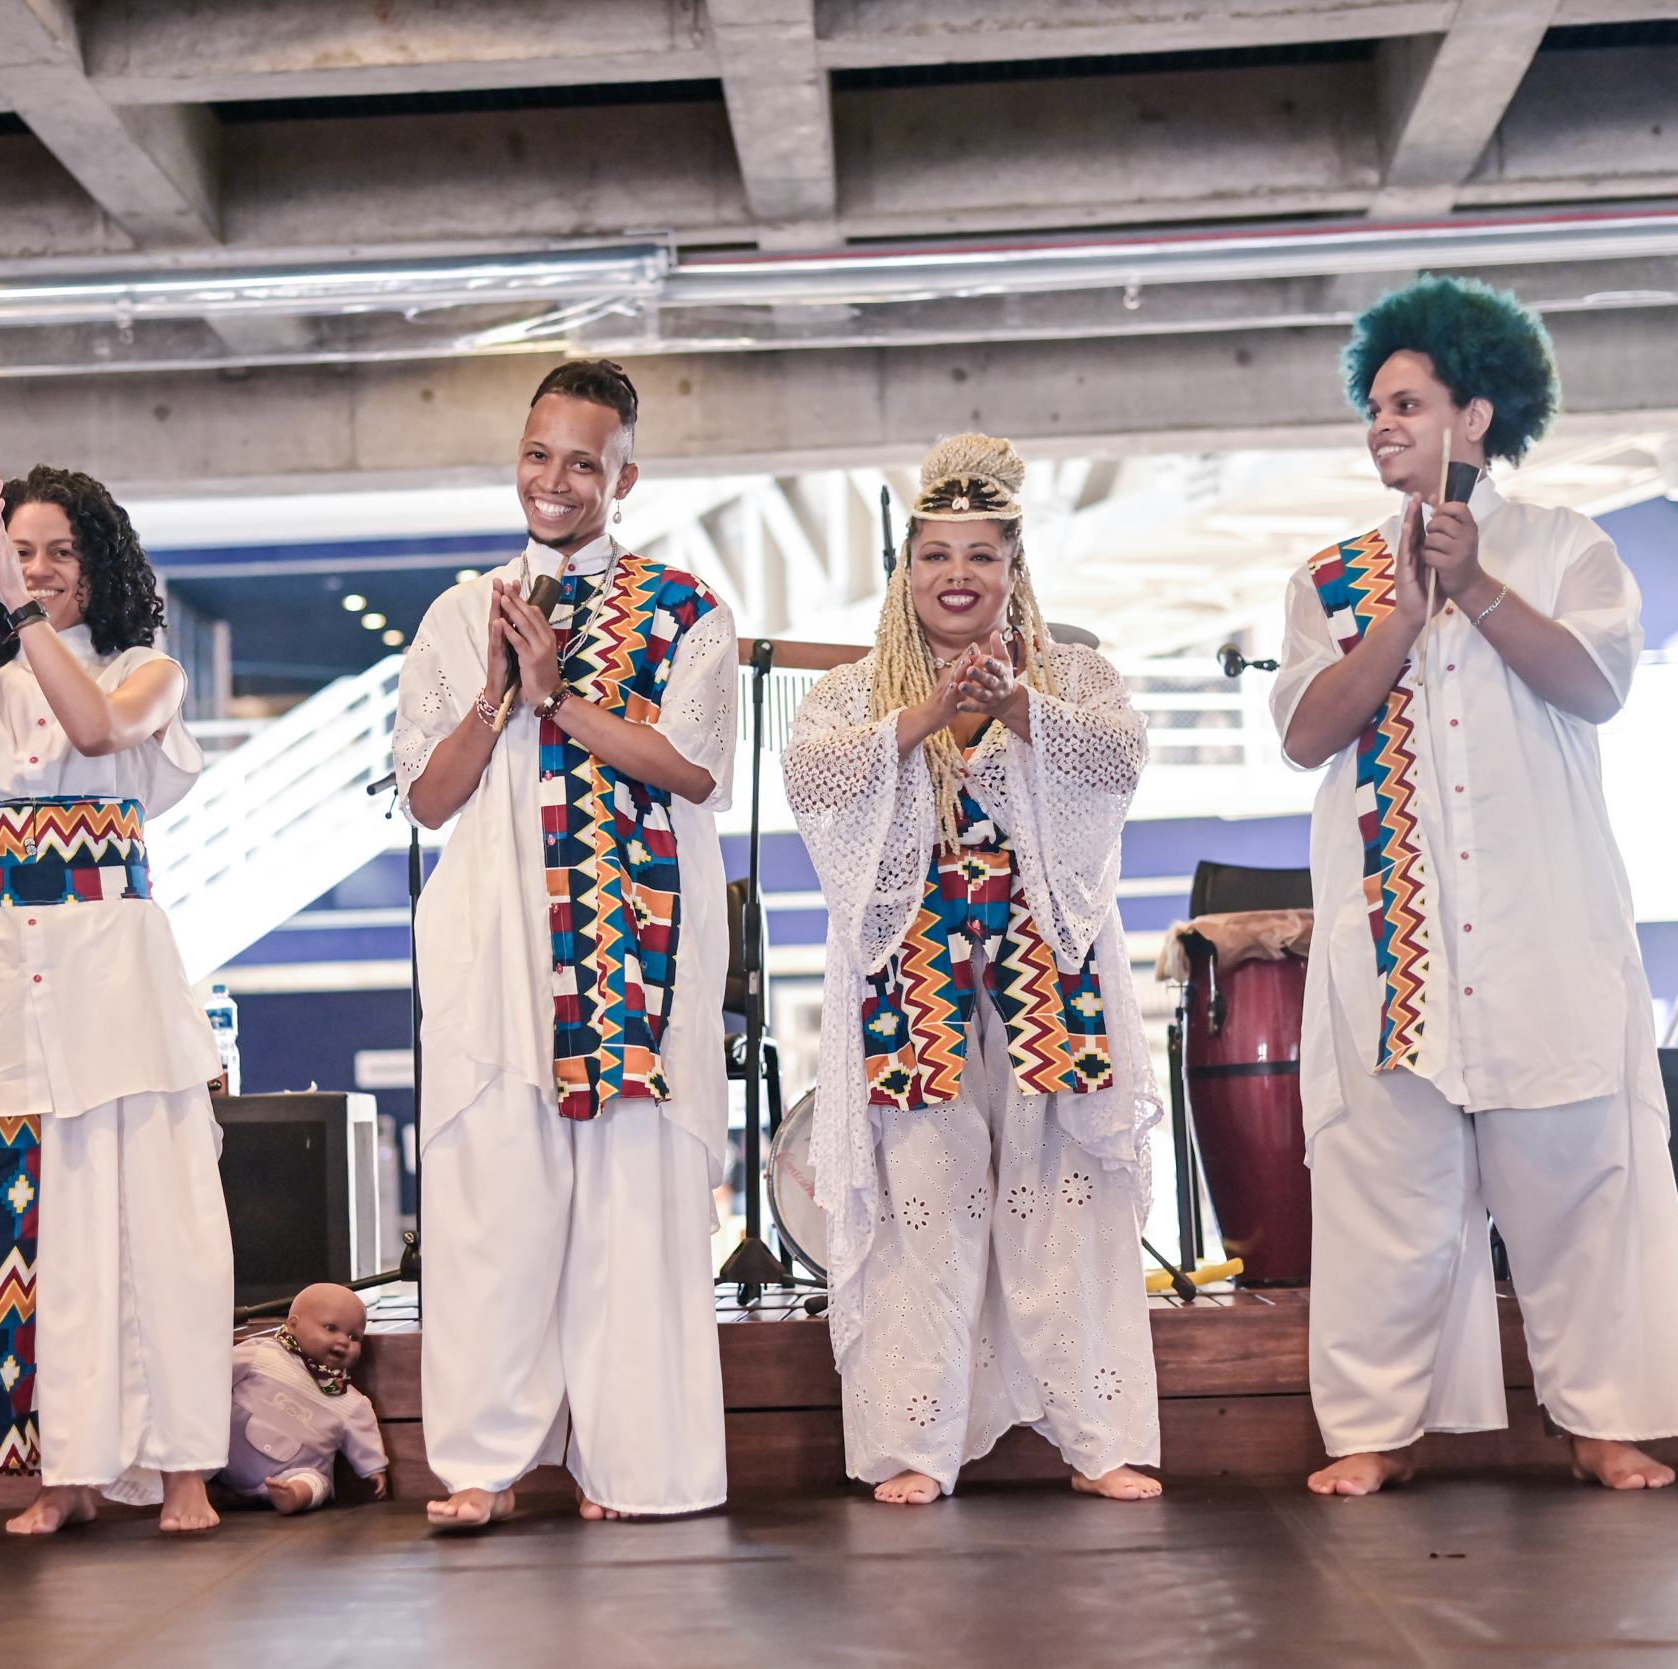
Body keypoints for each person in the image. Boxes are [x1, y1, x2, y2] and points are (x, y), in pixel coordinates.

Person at [1273, 277, 1678, 1496]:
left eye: (1405, 403)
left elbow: (1595, 686)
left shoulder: (1568, 545)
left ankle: (1604, 1422)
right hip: (1397, 945)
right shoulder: (1334, 578)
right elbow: (1308, 734)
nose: (1380, 425)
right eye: (1372, 407)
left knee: (1580, 1183)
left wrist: (1474, 584)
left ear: (1476, 415)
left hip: (1540, 933)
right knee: (1387, 1190)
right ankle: (1375, 1430)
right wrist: (1403, 614)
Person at [783, 433, 1163, 1506]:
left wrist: (1015, 709)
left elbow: (1115, 760)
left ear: (1014, 569)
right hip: (913, 974)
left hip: (1048, 964)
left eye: (980, 556)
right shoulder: (857, 691)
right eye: (935, 554)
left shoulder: (1073, 670)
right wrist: (927, 717)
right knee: (924, 1200)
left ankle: (1101, 1438)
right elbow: (813, 781)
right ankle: (915, 1444)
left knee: (1067, 1195)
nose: (957, 574)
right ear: (905, 571)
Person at [391, 359, 736, 1527]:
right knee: (493, 1206)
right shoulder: (457, 613)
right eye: (539, 454)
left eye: (582, 462)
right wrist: (497, 696)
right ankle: (484, 1468)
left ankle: (636, 1467)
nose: (554, 480)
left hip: (634, 947)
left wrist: (556, 699)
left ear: (623, 475)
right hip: (497, 947)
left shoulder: (688, 609)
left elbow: (692, 770)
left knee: (633, 1213)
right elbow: (429, 800)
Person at [0, 464, 232, 1536]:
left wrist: (21, 610)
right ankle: (65, 1470)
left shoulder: (147, 671)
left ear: (100, 566)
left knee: (157, 1228)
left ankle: (184, 1474)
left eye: (56, 552)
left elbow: (92, 733)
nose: (35, 570)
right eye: (18, 550)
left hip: (112, 983)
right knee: (30, 1239)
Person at [221, 1284, 390, 1514]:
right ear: (293, 1325)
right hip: (226, 1454)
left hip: (291, 1472)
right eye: (331, 1328)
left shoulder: (350, 1400)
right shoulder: (261, 1354)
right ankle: (198, 1485)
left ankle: (294, 1495)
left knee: (316, 1481)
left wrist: (374, 1469)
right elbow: (214, 1378)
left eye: (354, 1337)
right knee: (204, 1441)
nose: (343, 1340)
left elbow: (364, 1435)